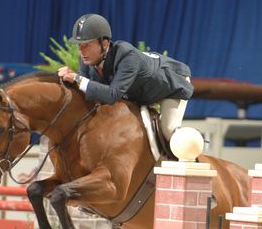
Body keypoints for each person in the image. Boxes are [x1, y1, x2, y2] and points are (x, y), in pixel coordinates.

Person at [58, 13, 193, 140]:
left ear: (104, 44)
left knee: (168, 130)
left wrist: (77, 79)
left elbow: (112, 95)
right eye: (79, 45)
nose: (81, 51)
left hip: (170, 84)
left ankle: (193, 150)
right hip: (139, 92)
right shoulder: (86, 59)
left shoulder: (127, 55)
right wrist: (67, 78)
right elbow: (86, 90)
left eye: (86, 45)